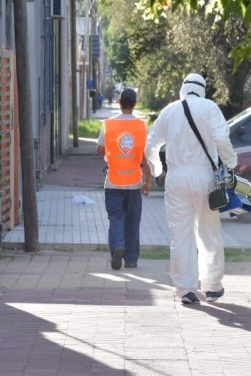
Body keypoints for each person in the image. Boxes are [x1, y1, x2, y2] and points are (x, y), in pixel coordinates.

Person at [144, 73, 237, 305]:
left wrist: (157, 171)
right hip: (204, 177)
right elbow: (222, 140)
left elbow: (150, 144)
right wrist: (231, 163)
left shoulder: (169, 111)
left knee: (180, 235)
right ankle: (212, 286)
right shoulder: (210, 107)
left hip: (176, 178)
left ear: (183, 89)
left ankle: (185, 288)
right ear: (203, 89)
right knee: (208, 232)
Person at [97, 88, 151, 270]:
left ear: (119, 103)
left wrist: (110, 154)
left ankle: (117, 246)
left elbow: (100, 150)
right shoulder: (142, 127)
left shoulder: (109, 125)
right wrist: (148, 181)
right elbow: (146, 157)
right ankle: (131, 259)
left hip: (113, 181)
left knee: (115, 217)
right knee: (133, 220)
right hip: (135, 182)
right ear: (134, 104)